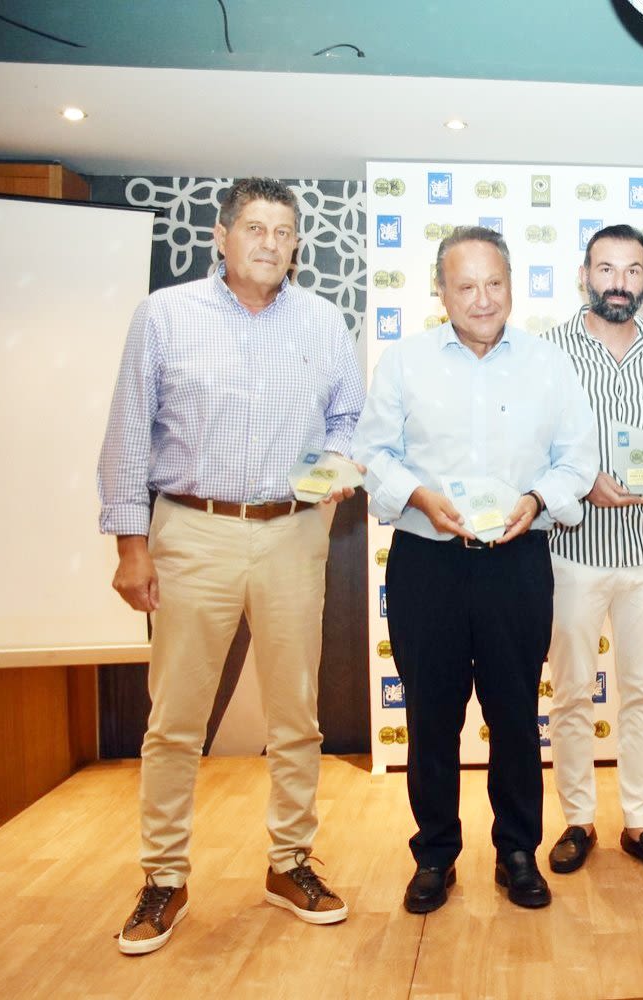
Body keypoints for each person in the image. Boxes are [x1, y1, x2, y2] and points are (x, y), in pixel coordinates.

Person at [97, 177, 364, 954]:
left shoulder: (323, 320)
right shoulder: (165, 315)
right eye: (255, 228)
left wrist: (337, 464)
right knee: (176, 718)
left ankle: (290, 863)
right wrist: (131, 545)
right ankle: (164, 878)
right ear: (221, 236)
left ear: (296, 244)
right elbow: (128, 432)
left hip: (292, 533)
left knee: (296, 714)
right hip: (192, 531)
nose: (270, 244)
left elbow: (349, 417)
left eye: (283, 232)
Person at [352, 226, 598, 911]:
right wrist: (418, 496)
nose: (482, 299)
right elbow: (372, 453)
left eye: (494, 283)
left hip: (517, 562)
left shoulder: (549, 364)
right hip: (427, 563)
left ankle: (517, 852)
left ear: (512, 285)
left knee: (515, 715)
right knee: (431, 718)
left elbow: (578, 459)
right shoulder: (404, 362)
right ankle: (435, 855)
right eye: (466, 285)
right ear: (441, 291)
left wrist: (537, 499)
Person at [543, 224, 643, 876]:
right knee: (572, 693)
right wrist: (580, 484)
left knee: (642, 691)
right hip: (574, 550)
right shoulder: (549, 352)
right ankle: (578, 820)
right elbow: (534, 442)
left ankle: (639, 822)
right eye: (606, 269)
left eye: (632, 271)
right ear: (585, 275)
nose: (619, 283)